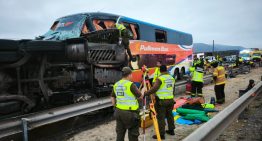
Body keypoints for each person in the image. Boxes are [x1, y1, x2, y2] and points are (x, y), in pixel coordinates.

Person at [111, 67, 143, 141]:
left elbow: (112, 97)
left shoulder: (116, 84)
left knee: (120, 134)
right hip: (130, 114)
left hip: (118, 112)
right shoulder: (130, 85)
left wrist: (115, 107)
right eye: (131, 74)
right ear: (129, 75)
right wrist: (143, 90)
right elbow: (140, 97)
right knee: (133, 135)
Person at [144, 65, 175, 140]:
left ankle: (161, 134)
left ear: (160, 71)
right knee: (170, 115)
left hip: (162, 101)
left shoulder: (160, 79)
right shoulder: (172, 78)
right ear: (166, 70)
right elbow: (173, 89)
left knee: (161, 117)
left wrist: (146, 93)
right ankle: (171, 130)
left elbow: (154, 89)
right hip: (170, 100)